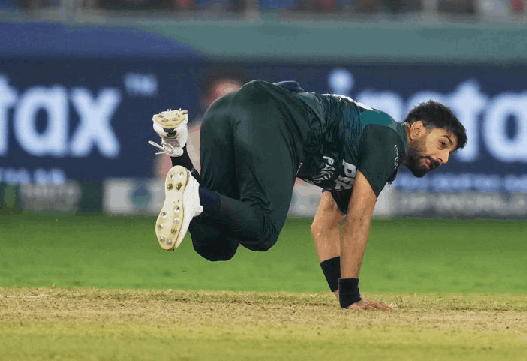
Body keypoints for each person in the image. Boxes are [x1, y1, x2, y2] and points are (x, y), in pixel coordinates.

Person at [149, 79, 467, 310]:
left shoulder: (363, 148)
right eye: (443, 143)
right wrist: (352, 296)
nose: (443, 159)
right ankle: (196, 195)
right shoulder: (389, 140)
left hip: (226, 112)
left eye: (449, 153)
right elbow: (357, 220)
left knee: (216, 245)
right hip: (269, 115)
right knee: (261, 231)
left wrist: (340, 293)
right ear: (416, 128)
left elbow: (325, 225)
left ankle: (177, 151)